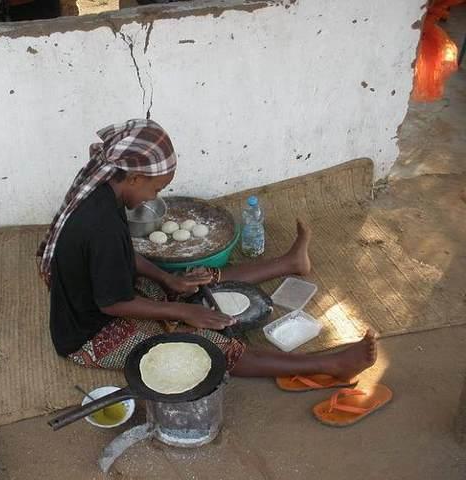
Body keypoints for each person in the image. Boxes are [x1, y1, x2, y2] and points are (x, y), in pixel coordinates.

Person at [39, 119, 376, 380]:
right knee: (204, 350)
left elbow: (121, 255)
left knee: (191, 281)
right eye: (156, 188)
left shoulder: (104, 191)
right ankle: (329, 364)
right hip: (89, 335)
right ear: (135, 177)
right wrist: (182, 313)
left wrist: (164, 279)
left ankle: (288, 263)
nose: (154, 198)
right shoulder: (100, 224)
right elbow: (113, 304)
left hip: (109, 293)